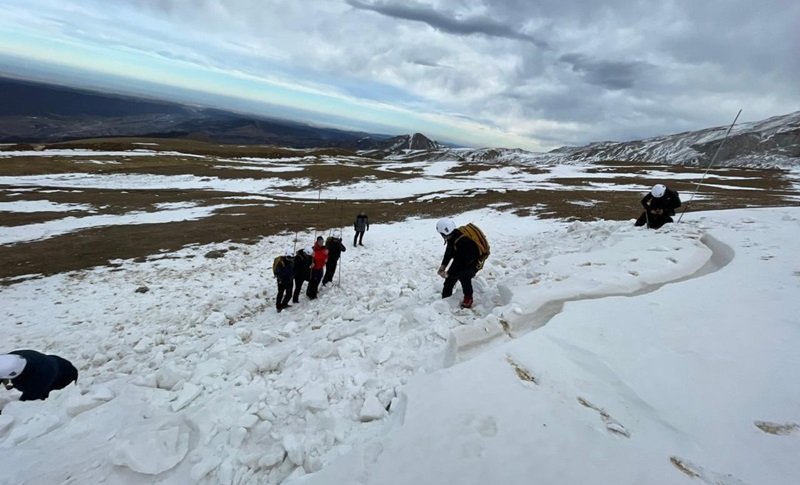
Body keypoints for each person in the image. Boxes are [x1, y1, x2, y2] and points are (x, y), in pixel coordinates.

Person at [435, 218, 490, 309]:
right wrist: (443, 265)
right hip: (462, 258)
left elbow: (464, 261)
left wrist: (449, 273)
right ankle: (445, 300)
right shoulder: (452, 236)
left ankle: (468, 298)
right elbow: (449, 251)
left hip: (473, 262)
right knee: (450, 279)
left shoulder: (464, 242)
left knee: (464, 275)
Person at [1, 350, 78, 402]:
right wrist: (8, 384)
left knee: (47, 402)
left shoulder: (40, 377)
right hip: (47, 363)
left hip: (64, 377)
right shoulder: (10, 357)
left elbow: (25, 403)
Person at [273, 246, 295, 312]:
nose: (291, 259)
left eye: (292, 258)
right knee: (280, 293)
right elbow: (281, 273)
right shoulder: (281, 263)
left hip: (290, 280)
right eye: (289, 258)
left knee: (289, 294)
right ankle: (278, 306)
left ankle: (284, 304)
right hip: (282, 281)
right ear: (286, 256)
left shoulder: (292, 262)